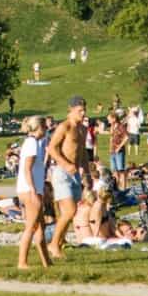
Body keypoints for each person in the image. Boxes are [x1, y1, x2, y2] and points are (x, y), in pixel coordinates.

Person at [46, 97, 91, 260]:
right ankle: (53, 244)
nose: (83, 113)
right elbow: (51, 148)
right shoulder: (64, 127)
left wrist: (87, 174)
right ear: (70, 110)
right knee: (70, 211)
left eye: (84, 110)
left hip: (76, 174)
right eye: (80, 110)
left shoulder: (83, 129)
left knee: (69, 213)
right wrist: (65, 164)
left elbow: (83, 153)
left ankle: (59, 242)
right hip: (62, 172)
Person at [15, 114, 52, 270]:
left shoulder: (35, 143)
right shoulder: (31, 143)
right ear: (38, 128)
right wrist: (33, 190)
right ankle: (22, 262)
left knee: (40, 226)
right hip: (29, 190)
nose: (46, 129)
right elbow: (26, 169)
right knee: (31, 226)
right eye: (44, 126)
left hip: (34, 188)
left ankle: (46, 261)